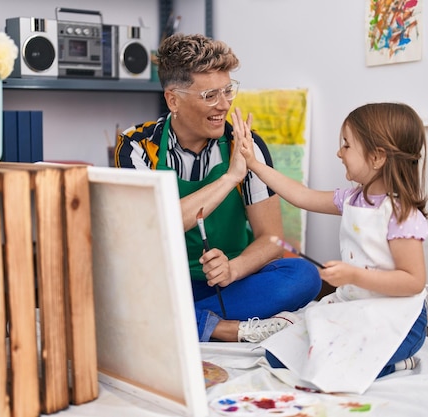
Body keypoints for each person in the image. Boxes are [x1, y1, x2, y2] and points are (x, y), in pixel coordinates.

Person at [115, 33, 322, 343]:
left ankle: (173, 321)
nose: (224, 105)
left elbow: (272, 239)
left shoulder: (247, 145)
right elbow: (155, 223)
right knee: (109, 278)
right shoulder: (137, 147)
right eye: (210, 95)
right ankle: (222, 328)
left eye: (228, 91)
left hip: (230, 285)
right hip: (164, 281)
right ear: (174, 99)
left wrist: (233, 269)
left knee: (304, 277)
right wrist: (229, 178)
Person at [237, 102, 428, 379]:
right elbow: (301, 196)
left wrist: (353, 275)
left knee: (331, 365)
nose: (339, 153)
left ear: (377, 157)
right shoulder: (352, 199)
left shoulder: (401, 215)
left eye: (347, 145)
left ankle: (397, 364)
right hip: (357, 307)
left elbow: (413, 281)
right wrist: (254, 163)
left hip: (400, 320)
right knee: (278, 356)